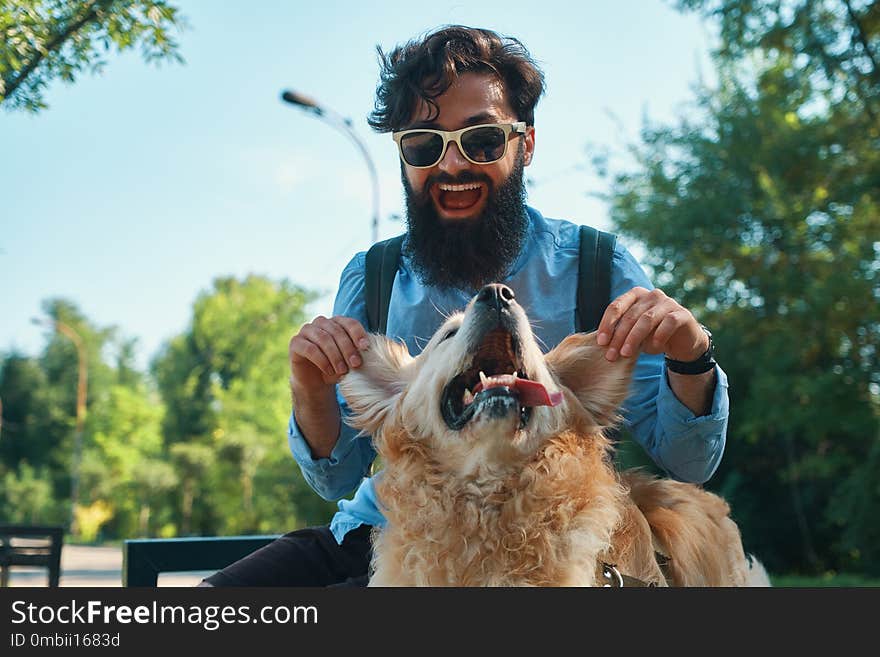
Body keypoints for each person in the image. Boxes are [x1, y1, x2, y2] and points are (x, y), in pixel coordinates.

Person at [201, 25, 728, 587]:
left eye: (481, 140)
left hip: (546, 549)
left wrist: (690, 358)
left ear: (525, 144)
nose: (452, 167)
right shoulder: (372, 277)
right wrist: (309, 387)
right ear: (404, 156)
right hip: (386, 532)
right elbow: (338, 478)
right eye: (425, 145)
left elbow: (689, 465)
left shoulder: (598, 266)